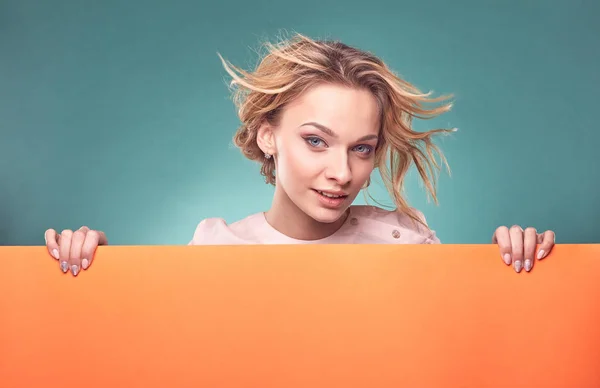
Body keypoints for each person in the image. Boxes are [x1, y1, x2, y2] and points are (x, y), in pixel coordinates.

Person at [43, 33, 555, 277]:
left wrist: (512, 265)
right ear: (268, 135)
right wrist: (92, 271)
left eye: (361, 149)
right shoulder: (215, 247)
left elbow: (460, 355)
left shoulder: (406, 240)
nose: (341, 173)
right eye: (316, 140)